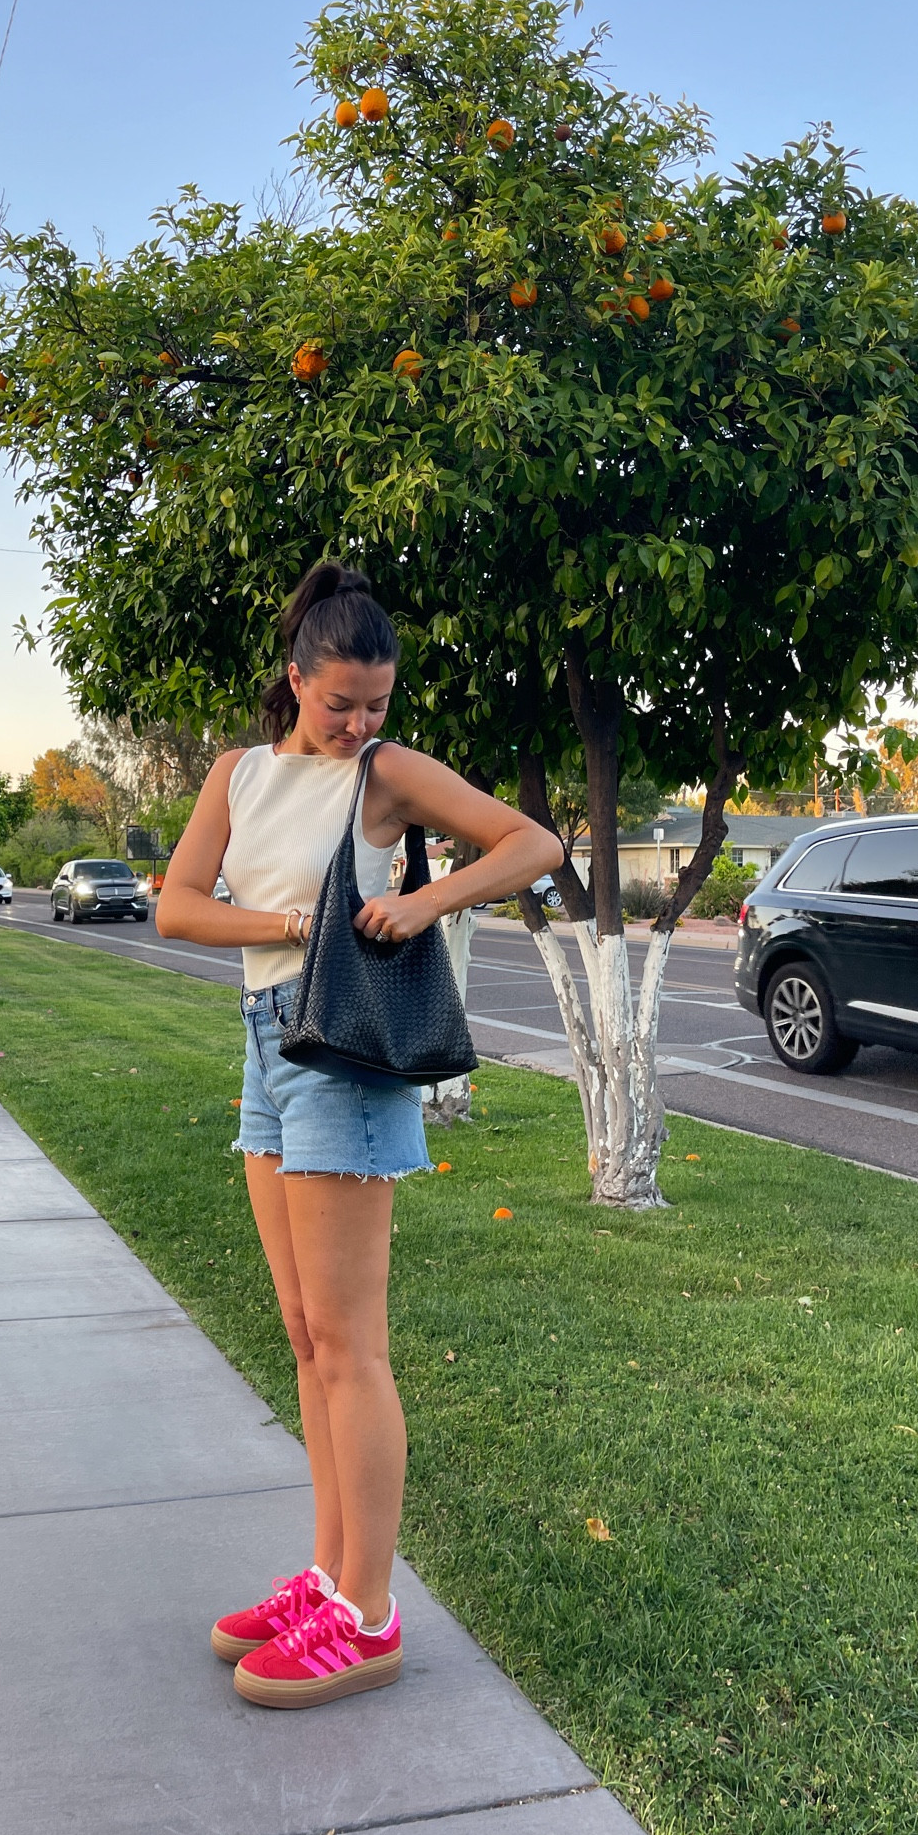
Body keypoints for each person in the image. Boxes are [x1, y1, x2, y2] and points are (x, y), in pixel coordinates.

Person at [157, 563, 563, 1709]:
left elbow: (532, 845)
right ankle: (331, 1579)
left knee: (352, 1342)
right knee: (302, 1334)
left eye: (377, 702)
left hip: (345, 1057)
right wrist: (298, 917)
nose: (360, 721)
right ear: (295, 678)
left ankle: (368, 1616)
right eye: (340, 701)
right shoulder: (239, 774)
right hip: (265, 1043)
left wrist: (424, 901)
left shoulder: (386, 773)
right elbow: (179, 903)